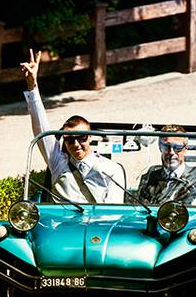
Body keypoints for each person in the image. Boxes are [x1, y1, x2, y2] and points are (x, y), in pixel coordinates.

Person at [20, 50, 123, 204]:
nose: (76, 144)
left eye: (81, 137)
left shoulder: (112, 169)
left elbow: (114, 213)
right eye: (69, 139)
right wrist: (32, 85)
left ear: (90, 137)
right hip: (63, 226)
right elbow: (41, 127)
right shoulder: (58, 162)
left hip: (97, 226)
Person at [137, 124, 196, 206]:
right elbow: (140, 210)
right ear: (160, 147)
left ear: (185, 148)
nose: (171, 152)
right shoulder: (149, 179)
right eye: (166, 146)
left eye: (177, 147)